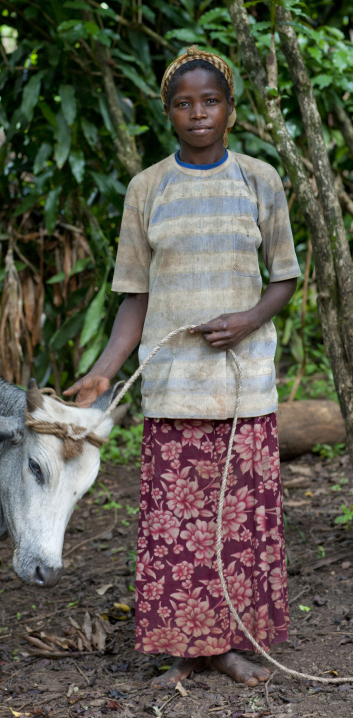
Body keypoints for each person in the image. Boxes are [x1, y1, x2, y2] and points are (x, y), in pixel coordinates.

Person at [64, 45, 300, 688]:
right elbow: (135, 296)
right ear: (168, 112)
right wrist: (105, 372)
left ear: (230, 109)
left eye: (211, 101)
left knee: (236, 519)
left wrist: (249, 319)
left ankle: (228, 646)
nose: (198, 113)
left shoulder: (259, 179)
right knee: (178, 525)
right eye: (184, 104)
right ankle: (185, 650)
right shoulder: (148, 189)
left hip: (244, 383)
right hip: (172, 388)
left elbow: (284, 278)